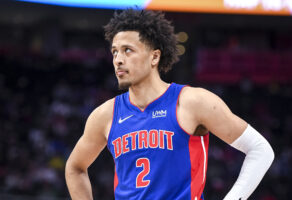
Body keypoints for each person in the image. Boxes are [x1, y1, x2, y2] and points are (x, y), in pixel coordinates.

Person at [65, 9, 274, 200]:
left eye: (128, 50)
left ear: (154, 56)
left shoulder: (193, 101)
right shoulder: (105, 115)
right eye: (115, 52)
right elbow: (75, 168)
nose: (118, 59)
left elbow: (260, 150)